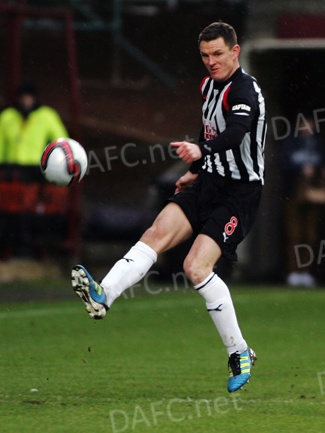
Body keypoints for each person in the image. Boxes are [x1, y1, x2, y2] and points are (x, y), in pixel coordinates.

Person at [71, 21, 267, 393]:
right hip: (208, 182)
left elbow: (236, 132)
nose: (211, 61)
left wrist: (201, 151)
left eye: (217, 54)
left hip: (239, 194)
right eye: (205, 55)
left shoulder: (245, 89)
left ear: (235, 51)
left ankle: (239, 351)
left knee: (195, 267)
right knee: (155, 233)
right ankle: (103, 294)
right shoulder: (208, 86)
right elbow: (209, 130)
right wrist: (195, 170)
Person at [0, 82, 69, 258]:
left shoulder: (46, 116)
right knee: (10, 211)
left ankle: (29, 244)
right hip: (11, 172)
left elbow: (61, 142)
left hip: (36, 172)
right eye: (23, 97)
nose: (26, 101)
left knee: (31, 209)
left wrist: (53, 164)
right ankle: (13, 244)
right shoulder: (7, 117)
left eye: (29, 97)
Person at [279, 116, 325, 287]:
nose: (308, 127)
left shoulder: (318, 143)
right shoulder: (290, 142)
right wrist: (300, 169)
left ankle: (306, 272)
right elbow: (283, 163)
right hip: (293, 194)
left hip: (313, 195)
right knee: (294, 235)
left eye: (310, 123)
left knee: (311, 236)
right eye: (305, 123)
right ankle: (293, 272)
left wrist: (321, 172)